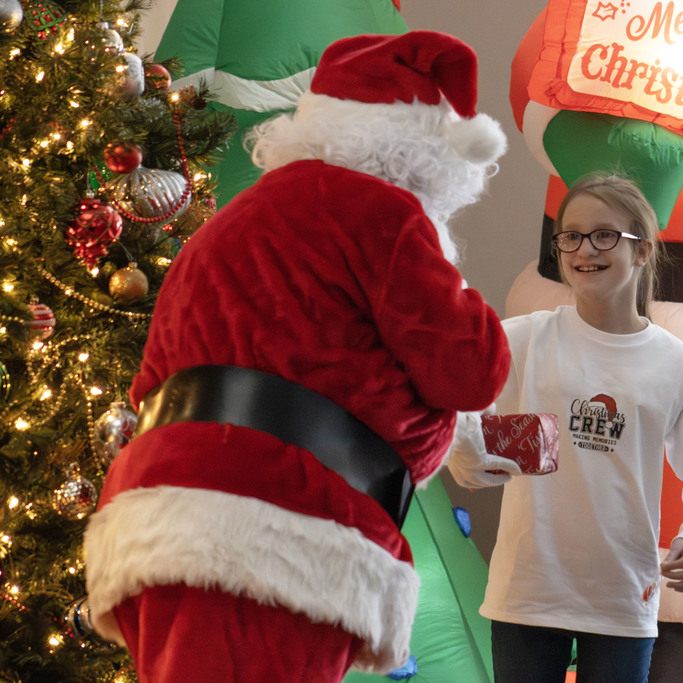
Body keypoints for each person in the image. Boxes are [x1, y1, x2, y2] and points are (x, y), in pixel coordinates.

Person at [83, 31, 511, 682]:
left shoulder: (235, 220)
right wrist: (459, 284)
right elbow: (472, 369)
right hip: (279, 531)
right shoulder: (384, 214)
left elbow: (152, 382)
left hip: (157, 520)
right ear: (425, 151)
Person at [447, 173, 683, 683]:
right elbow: (455, 415)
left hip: (622, 600)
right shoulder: (522, 340)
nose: (585, 249)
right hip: (528, 594)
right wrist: (468, 456)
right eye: (571, 236)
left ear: (642, 250)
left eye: (605, 235)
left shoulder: (677, 365)